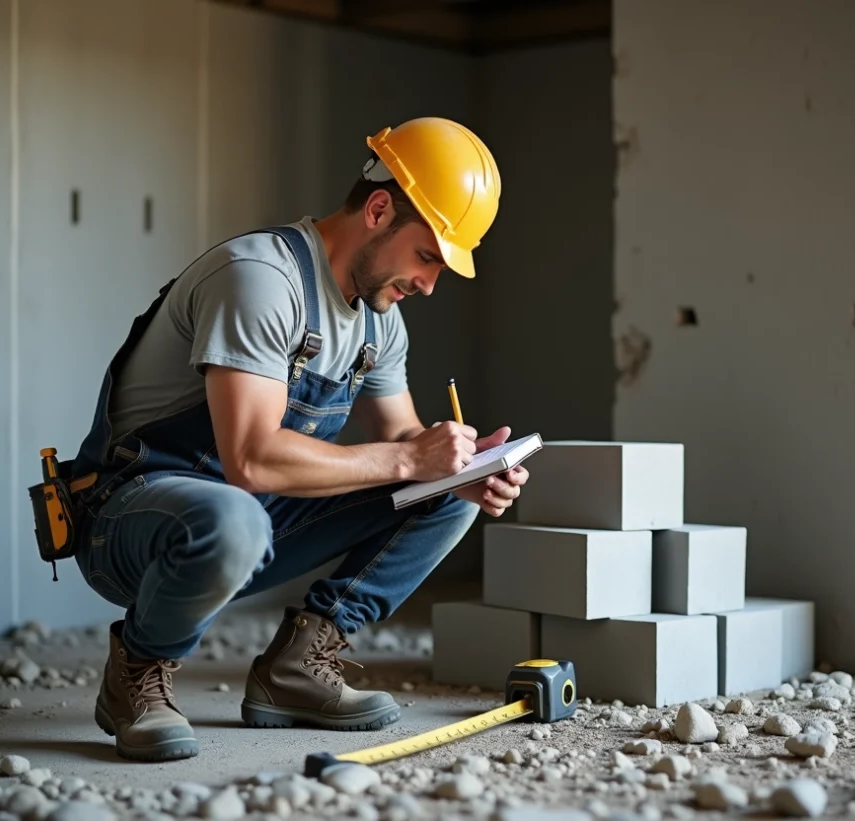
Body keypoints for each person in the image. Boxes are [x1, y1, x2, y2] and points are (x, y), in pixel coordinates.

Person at [63, 117, 527, 762]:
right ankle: (137, 672)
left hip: (246, 519)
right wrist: (410, 455)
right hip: (129, 523)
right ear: (378, 208)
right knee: (234, 514)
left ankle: (297, 669)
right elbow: (251, 458)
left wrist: (464, 468)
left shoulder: (378, 320)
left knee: (443, 492)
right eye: (427, 256)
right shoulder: (260, 278)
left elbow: (401, 442)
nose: (428, 284)